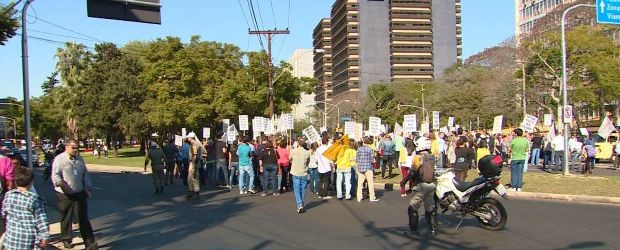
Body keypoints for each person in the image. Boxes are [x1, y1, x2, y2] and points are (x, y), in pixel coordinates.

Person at [51, 139, 98, 249]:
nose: (75, 150)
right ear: (66, 147)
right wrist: (62, 185)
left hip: (79, 192)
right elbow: (55, 175)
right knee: (66, 217)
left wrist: (88, 188)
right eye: (73, 148)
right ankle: (66, 238)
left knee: (83, 218)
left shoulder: (80, 159)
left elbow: (85, 174)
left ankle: (90, 243)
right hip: (64, 194)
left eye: (76, 148)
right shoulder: (59, 159)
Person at [2, 167, 49, 250]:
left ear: (15, 182)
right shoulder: (36, 200)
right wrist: (45, 237)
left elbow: (3, 213)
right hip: (29, 241)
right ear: (31, 182)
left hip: (11, 238)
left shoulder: (8, 195)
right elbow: (42, 222)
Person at [407, 148, 438, 236]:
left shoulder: (418, 157)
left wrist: (404, 181)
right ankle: (433, 230)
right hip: (431, 185)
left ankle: (413, 231)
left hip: (420, 185)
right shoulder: (432, 158)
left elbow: (413, 172)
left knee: (412, 207)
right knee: (430, 207)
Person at [290, 141, 311, 213]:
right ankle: (301, 203)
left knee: (296, 189)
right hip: (304, 172)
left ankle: (299, 205)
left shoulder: (293, 151)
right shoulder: (307, 152)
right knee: (303, 188)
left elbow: (289, 159)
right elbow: (308, 161)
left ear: (298, 144)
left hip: (295, 172)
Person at [356, 137, 379, 202]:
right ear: (368, 143)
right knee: (370, 183)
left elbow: (357, 159)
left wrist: (357, 168)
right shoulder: (370, 149)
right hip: (368, 167)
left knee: (360, 184)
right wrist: (374, 160)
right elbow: (372, 160)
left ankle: (359, 197)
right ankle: (372, 197)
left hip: (361, 168)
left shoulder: (359, 149)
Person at [186, 132, 203, 199]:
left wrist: (192, 165)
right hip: (195, 162)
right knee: (192, 178)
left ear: (190, 138)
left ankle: (195, 192)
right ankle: (193, 192)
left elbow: (194, 155)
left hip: (194, 163)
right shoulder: (195, 144)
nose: (187, 138)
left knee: (193, 178)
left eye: (188, 137)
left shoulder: (194, 145)